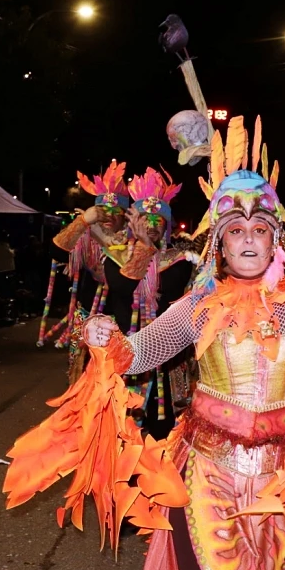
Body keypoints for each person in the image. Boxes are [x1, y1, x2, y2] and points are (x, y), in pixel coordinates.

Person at [4, 117, 285, 570]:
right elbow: (140, 353)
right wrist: (105, 337)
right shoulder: (196, 306)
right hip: (207, 472)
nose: (249, 239)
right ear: (220, 246)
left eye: (259, 229)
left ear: (276, 242)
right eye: (235, 231)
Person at [102, 167, 196, 437]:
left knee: (165, 425)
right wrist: (143, 248)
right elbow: (121, 289)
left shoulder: (180, 260)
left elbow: (175, 292)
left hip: (169, 356)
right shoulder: (116, 255)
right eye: (146, 220)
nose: (152, 226)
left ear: (168, 224)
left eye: (159, 220)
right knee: (126, 422)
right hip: (128, 351)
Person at [41, 162, 130, 376]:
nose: (108, 216)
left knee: (118, 379)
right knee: (83, 377)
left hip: (124, 321)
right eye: (102, 212)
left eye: (114, 212)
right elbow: (56, 250)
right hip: (88, 317)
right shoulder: (86, 239)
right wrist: (84, 221)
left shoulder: (136, 242)